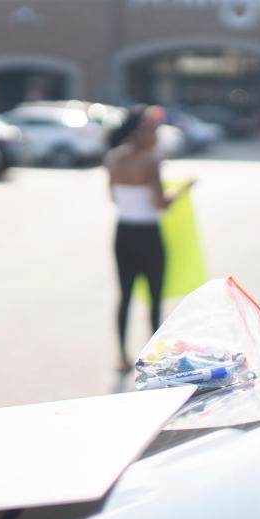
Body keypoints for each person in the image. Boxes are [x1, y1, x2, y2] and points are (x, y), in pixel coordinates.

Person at [104, 105, 191, 374]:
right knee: (154, 298)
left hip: (123, 232)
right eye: (152, 129)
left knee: (125, 295)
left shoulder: (114, 158)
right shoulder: (152, 161)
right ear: (141, 132)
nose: (156, 134)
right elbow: (160, 203)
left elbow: (114, 197)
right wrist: (183, 190)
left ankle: (121, 356)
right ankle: (155, 358)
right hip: (148, 234)